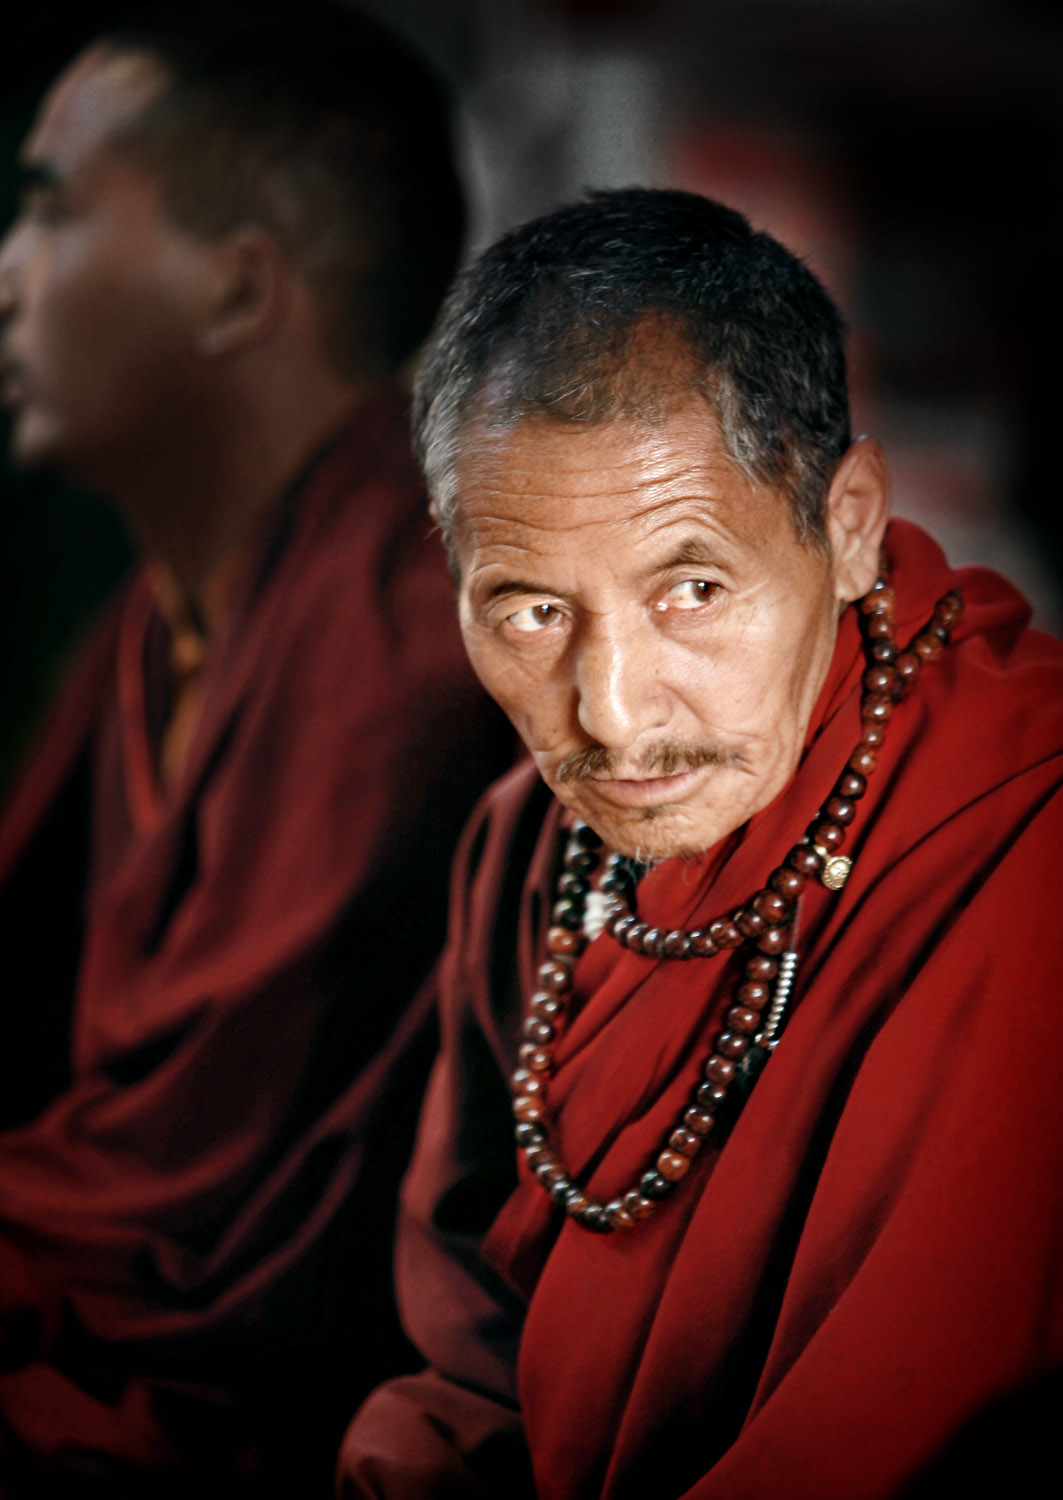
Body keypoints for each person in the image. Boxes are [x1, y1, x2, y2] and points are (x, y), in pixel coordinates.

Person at [338, 188, 1063, 1498]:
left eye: (693, 590)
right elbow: (468, 1361)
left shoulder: (1027, 839)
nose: (611, 715)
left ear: (846, 528)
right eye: (529, 613)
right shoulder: (530, 852)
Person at [0, 3, 510, 1495]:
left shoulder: (417, 634)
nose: (7, 276)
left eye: (53, 211)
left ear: (236, 289)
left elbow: (190, 1221)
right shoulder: (143, 639)